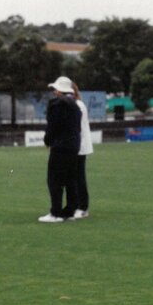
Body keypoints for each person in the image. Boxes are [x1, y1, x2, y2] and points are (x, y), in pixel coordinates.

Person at [40, 76, 82, 223]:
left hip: (60, 147)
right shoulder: (76, 106)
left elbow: (53, 126)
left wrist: (47, 140)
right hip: (73, 146)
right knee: (71, 180)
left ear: (59, 91)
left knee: (55, 180)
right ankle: (70, 211)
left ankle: (56, 213)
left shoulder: (56, 105)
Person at [72, 82, 93, 219]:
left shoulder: (78, 105)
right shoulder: (77, 104)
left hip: (79, 146)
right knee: (74, 177)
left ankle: (83, 207)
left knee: (79, 177)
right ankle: (76, 205)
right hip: (75, 145)